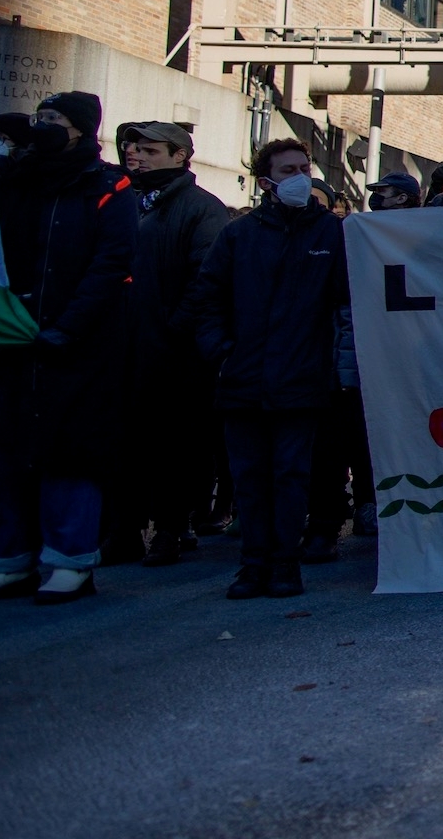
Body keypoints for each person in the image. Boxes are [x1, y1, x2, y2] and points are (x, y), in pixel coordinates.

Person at [189, 139, 348, 600]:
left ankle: (284, 564)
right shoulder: (239, 235)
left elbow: (349, 294)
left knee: (291, 475)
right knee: (250, 478)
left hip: (301, 379)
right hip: (243, 378)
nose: (299, 176)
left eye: (304, 166)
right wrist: (220, 350)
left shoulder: (329, 233)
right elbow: (208, 295)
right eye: (288, 169)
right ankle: (252, 565)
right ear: (266, 181)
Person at [0, 92, 137, 604]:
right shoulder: (19, 179)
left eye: (52, 120)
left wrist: (69, 326)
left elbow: (112, 262)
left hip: (79, 345)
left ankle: (69, 557)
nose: (42, 126)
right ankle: (12, 555)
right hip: (13, 337)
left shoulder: (106, 185)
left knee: (70, 453)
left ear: (79, 129)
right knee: (9, 449)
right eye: (38, 118)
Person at [115, 121, 229, 568]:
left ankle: (170, 527)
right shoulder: (124, 201)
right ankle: (123, 531)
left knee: (175, 444)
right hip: (124, 345)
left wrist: (172, 328)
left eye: (149, 149)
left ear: (180, 155)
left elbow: (207, 278)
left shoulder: (201, 210)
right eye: (132, 147)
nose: (136, 155)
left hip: (174, 351)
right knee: (126, 442)